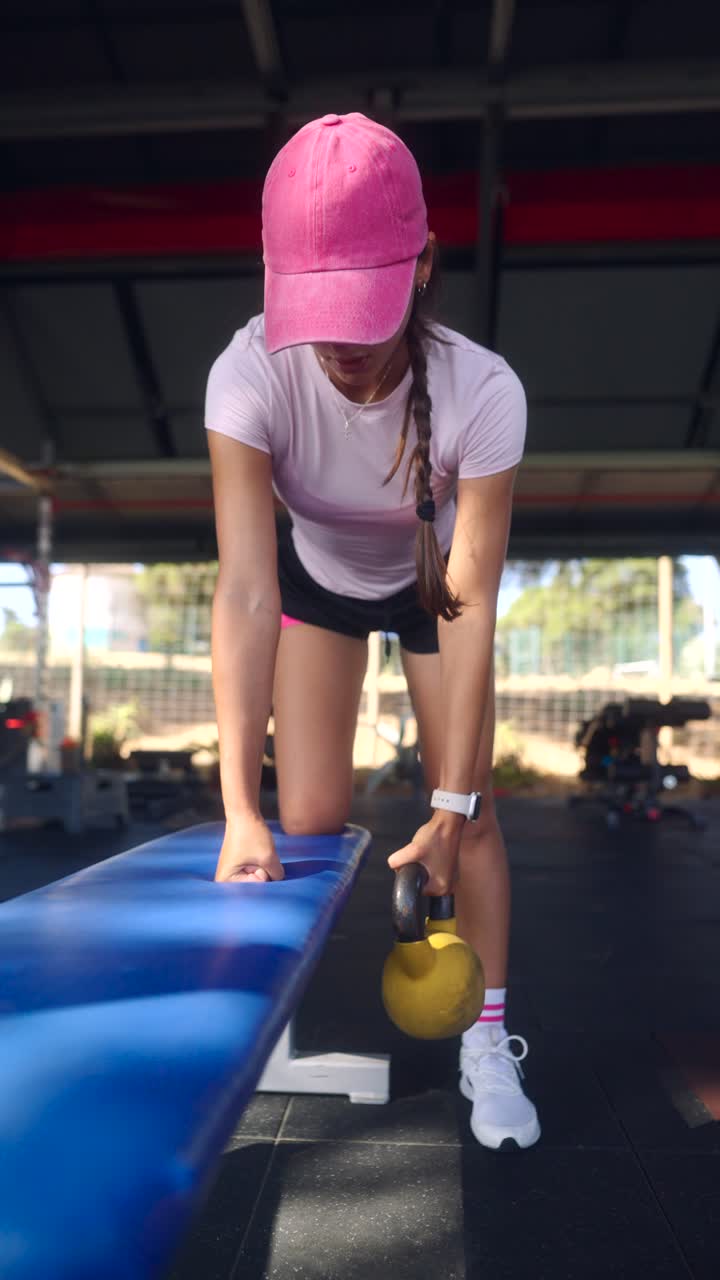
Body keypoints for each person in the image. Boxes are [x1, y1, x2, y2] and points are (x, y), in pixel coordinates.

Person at [205, 112, 540, 1151]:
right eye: (323, 313)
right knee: (299, 820)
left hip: (436, 593)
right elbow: (248, 592)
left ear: (424, 266)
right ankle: (273, 1034)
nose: (347, 348)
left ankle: (487, 1040)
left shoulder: (484, 392)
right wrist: (237, 807)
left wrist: (444, 806)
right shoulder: (249, 372)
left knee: (474, 816)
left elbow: (472, 600)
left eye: (367, 312)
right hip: (316, 586)